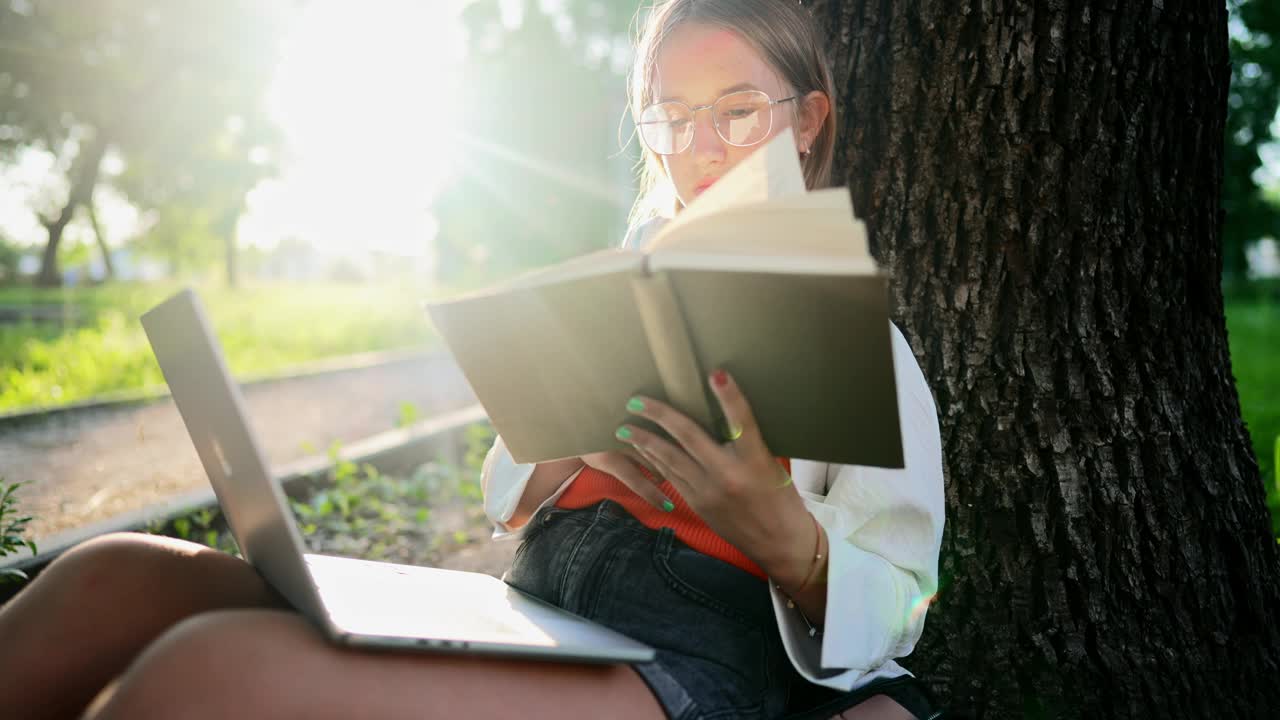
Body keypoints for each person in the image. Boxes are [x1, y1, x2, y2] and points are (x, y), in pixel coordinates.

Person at [0, 1, 945, 718]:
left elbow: (904, 597)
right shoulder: (625, 286)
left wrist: (782, 534)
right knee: (113, 575)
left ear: (809, 119)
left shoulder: (860, 344)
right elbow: (509, 498)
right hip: (538, 606)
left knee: (207, 670)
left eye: (739, 112)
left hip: (686, 662)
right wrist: (572, 433)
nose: (701, 148)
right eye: (671, 119)